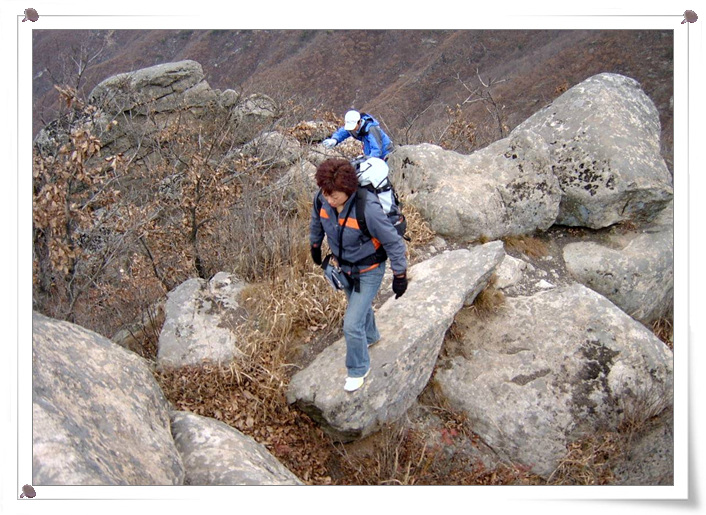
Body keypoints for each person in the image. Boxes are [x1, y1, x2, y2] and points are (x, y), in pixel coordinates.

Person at [310, 158, 408, 392]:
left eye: (334, 196)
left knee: (351, 324)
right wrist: (315, 244)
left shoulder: (367, 208)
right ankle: (371, 336)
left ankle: (358, 369)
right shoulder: (322, 199)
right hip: (344, 269)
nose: (328, 199)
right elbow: (317, 222)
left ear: (348, 190)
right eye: (326, 193)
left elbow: (393, 242)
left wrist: (400, 275)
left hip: (369, 271)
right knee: (359, 307)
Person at [322, 110, 394, 160]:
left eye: (353, 127)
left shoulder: (371, 128)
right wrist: (335, 139)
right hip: (370, 153)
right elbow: (343, 132)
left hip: (385, 153)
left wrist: (369, 160)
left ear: (359, 122)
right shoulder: (354, 128)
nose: (352, 129)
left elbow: (376, 149)